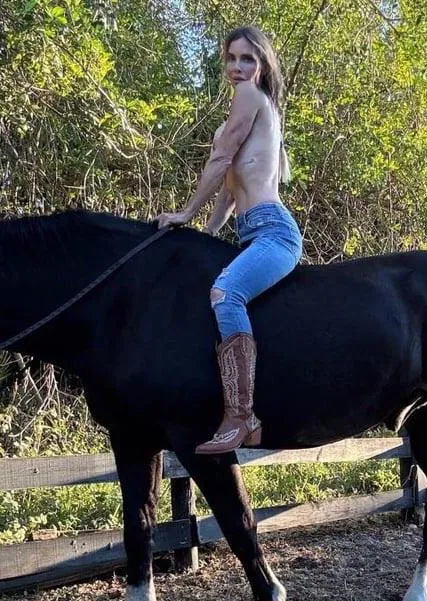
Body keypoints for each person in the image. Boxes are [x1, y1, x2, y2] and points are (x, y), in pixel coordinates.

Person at [155, 25, 302, 455]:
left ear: (262, 65)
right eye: (232, 59)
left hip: (273, 231)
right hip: (251, 229)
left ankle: (241, 416)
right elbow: (229, 187)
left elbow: (220, 161)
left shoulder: (250, 98)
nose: (237, 67)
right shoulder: (256, 106)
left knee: (226, 293)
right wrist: (208, 232)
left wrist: (184, 211)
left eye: (247, 59)